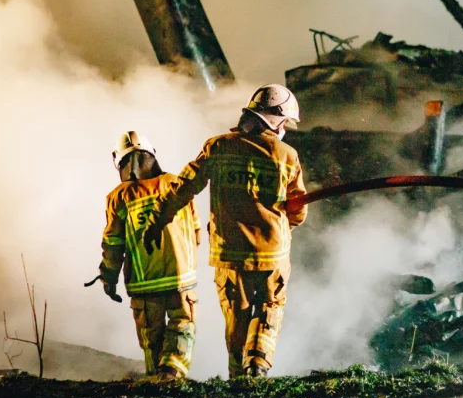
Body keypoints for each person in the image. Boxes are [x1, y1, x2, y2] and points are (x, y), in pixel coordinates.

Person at [143, 84, 308, 379]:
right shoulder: (287, 155)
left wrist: (158, 220)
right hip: (273, 254)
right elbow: (299, 211)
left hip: (229, 255)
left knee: (236, 318)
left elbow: (183, 188)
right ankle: (257, 364)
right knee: (270, 307)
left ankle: (237, 376)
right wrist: (281, 223)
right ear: (277, 120)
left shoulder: (217, 147)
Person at [99, 131, 201, 380]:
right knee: (182, 327)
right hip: (181, 280)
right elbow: (196, 233)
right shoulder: (176, 184)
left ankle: (158, 383)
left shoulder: (118, 197)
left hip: (144, 286)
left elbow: (113, 244)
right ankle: (172, 374)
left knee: (151, 343)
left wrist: (108, 278)